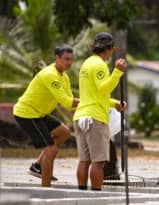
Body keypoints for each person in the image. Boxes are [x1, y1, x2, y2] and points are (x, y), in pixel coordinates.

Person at [13, 44, 79, 187]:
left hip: (39, 113)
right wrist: (90, 103)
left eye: (71, 59)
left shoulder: (64, 77)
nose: (69, 63)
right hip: (27, 113)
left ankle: (38, 165)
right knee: (51, 149)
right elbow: (67, 101)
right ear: (57, 58)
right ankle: (46, 188)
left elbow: (69, 105)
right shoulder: (50, 75)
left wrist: (85, 113)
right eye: (66, 59)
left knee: (64, 132)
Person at [73, 32, 127, 191]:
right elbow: (104, 89)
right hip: (95, 118)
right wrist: (117, 72)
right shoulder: (99, 65)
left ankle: (82, 192)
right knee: (98, 161)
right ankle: (96, 194)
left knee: (84, 160)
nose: (111, 53)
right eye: (112, 49)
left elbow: (94, 94)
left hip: (81, 115)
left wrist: (115, 103)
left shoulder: (86, 63)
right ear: (108, 49)